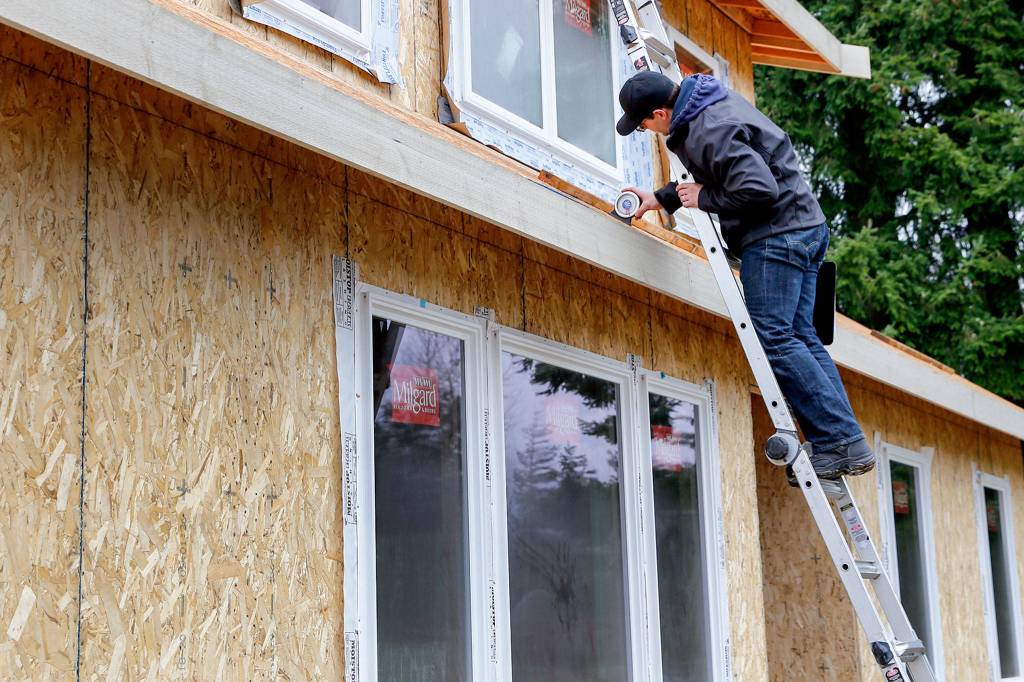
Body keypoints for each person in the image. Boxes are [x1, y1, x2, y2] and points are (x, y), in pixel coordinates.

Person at [616, 70, 874, 480]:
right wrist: (662, 198)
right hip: (804, 227)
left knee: (776, 337)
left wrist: (706, 198)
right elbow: (722, 168)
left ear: (660, 114)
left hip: (776, 237)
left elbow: (758, 188)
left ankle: (838, 440)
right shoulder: (707, 106)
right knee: (801, 336)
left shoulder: (708, 128)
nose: (646, 130)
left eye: (644, 124)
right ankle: (844, 442)